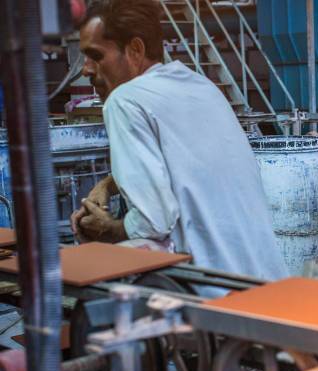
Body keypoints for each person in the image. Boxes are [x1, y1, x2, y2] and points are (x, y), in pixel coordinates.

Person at [70, 0, 288, 281]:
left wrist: (107, 229)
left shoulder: (124, 101)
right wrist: (108, 185)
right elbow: (184, 163)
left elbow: (153, 223)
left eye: (95, 56)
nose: (86, 69)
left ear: (135, 50)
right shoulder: (201, 87)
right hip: (266, 283)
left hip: (211, 291)